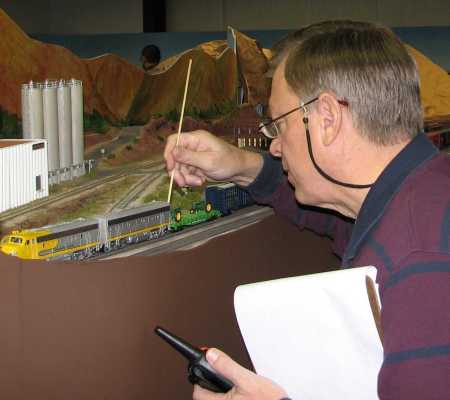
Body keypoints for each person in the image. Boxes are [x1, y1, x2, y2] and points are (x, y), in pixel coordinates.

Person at [164, 20, 450, 400]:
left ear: (327, 118)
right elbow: (341, 223)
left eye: (279, 126)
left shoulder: (419, 265)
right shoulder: (420, 192)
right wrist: (242, 166)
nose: (276, 147)